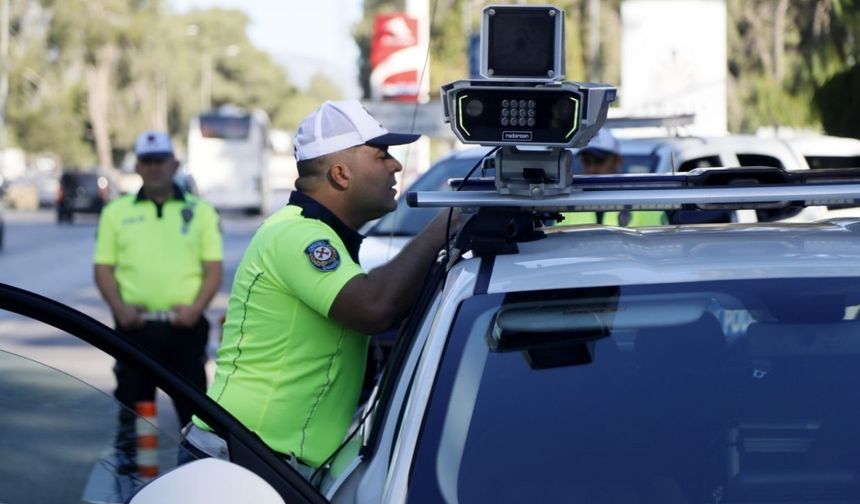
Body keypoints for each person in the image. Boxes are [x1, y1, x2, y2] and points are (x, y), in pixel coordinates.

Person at [181, 99, 461, 481]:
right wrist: (441, 228)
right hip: (241, 463)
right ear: (341, 174)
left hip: (268, 462)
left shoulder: (324, 235)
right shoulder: (298, 234)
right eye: (381, 155)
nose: (396, 165)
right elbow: (374, 309)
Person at [94, 131, 223, 475]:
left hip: (185, 329)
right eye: (147, 162)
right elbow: (103, 268)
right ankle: (135, 481)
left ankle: (199, 483)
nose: (154, 169)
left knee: (195, 415)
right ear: (137, 166)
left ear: (174, 164)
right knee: (135, 413)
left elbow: (213, 269)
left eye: (160, 161)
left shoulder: (200, 211)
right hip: (135, 329)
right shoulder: (116, 212)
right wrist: (119, 308)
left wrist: (196, 309)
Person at [563, 128, 666, 227]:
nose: (592, 168)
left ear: (617, 161)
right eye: (587, 161)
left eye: (599, 160)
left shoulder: (646, 202)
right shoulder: (566, 202)